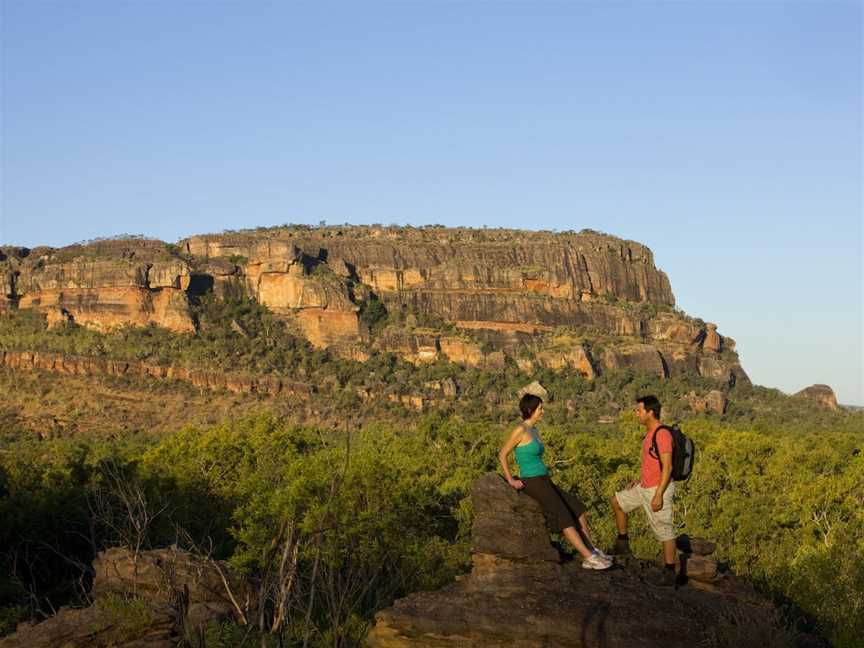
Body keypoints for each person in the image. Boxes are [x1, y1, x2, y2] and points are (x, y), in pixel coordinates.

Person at [498, 393, 611, 570]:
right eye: (540, 408)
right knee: (563, 516)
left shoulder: (534, 430)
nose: (543, 411)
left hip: (544, 479)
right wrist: (511, 479)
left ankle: (592, 549)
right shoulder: (520, 430)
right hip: (532, 480)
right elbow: (502, 454)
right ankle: (588, 557)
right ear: (530, 410)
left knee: (578, 509)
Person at [610, 395, 678, 586]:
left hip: (658, 489)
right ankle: (623, 544)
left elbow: (668, 467)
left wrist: (658, 494)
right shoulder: (649, 434)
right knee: (617, 502)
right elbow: (652, 464)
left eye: (639, 410)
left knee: (664, 530)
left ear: (650, 412)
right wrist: (639, 481)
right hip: (644, 486)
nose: (636, 413)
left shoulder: (662, 434)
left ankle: (669, 571)